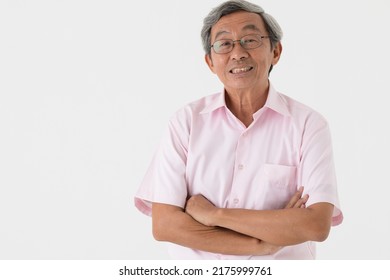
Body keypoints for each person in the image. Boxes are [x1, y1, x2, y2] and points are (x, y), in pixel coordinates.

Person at [134, 0, 343, 259]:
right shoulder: (186, 121)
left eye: (250, 40)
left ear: (275, 51)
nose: (238, 53)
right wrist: (262, 243)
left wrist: (214, 215)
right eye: (224, 44)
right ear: (210, 62)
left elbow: (315, 225)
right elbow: (165, 225)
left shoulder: (308, 125)